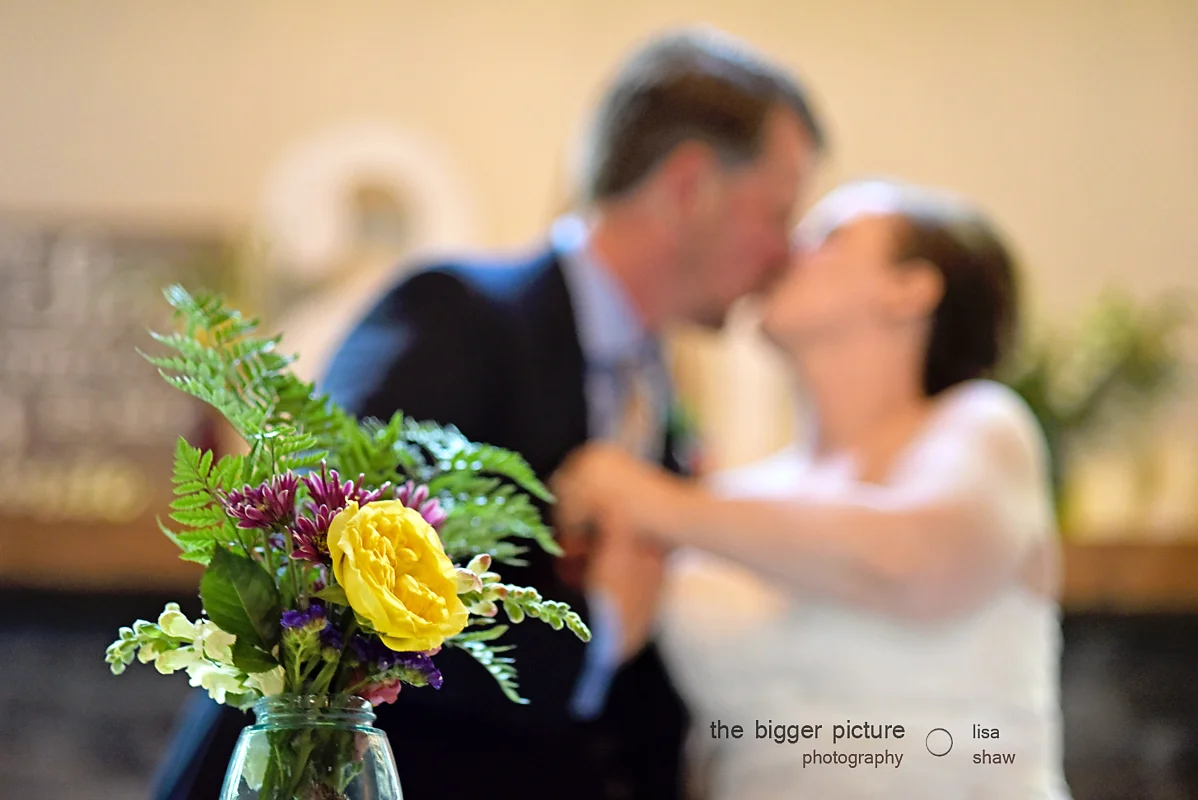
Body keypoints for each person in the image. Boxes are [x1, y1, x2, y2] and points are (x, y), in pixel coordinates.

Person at [149, 27, 824, 800]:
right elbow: (321, 582)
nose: (784, 255)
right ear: (688, 186)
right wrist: (599, 637)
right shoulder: (455, 313)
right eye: (777, 212)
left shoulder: (656, 391)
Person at [553, 179, 1072, 799]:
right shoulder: (731, 494)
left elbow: (910, 562)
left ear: (911, 288)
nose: (783, 252)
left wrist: (645, 498)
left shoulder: (982, 427)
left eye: (827, 237)